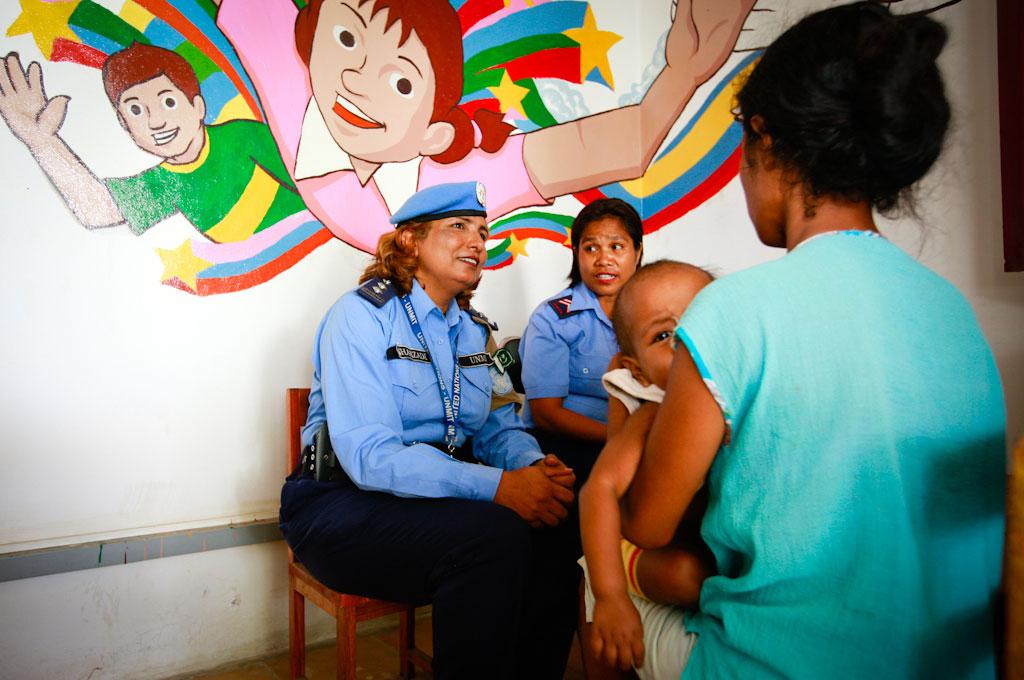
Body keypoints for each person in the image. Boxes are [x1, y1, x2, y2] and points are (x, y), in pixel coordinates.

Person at [614, 3, 1006, 678]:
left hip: (775, 665)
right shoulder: (952, 314)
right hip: (950, 664)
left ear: (763, 139)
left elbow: (648, 521)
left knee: (609, 572)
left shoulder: (731, 312)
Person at [279, 181, 581, 680]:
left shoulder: (473, 329)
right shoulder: (361, 316)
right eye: (458, 227)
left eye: (482, 232)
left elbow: (493, 426)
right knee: (492, 538)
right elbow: (371, 456)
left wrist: (530, 467)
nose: (477, 242)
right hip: (337, 503)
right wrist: (499, 488)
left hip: (426, 502)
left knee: (554, 529)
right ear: (410, 241)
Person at [214, 0, 755, 253]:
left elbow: (622, 146)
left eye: (401, 82)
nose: (356, 80)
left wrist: (685, 70)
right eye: (346, 39)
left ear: (433, 125)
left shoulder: (466, 173)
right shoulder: (290, 81)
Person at [0, 43, 307, 240]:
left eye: (168, 102)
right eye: (136, 110)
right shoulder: (167, 183)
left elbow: (310, 186)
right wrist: (40, 140)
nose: (156, 121)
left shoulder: (243, 136)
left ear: (197, 106)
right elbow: (98, 209)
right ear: (124, 125)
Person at [578, 261, 716, 680]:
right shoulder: (656, 410)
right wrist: (610, 596)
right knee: (688, 578)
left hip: (705, 541)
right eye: (664, 336)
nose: (687, 343)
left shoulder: (749, 395)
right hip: (646, 548)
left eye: (700, 319)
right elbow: (598, 489)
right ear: (636, 370)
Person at [519, 198, 644, 488]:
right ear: (576, 253)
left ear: (637, 252)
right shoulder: (552, 318)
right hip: (566, 444)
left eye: (616, 246)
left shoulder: (657, 314)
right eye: (591, 248)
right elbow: (546, 415)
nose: (604, 259)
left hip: (637, 439)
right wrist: (621, 438)